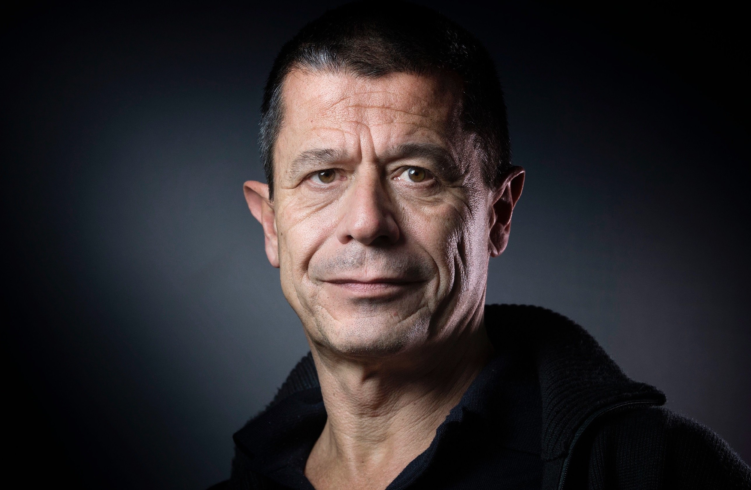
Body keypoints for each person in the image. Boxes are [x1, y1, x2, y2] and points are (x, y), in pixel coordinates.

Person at [213, 2, 751, 489]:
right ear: (272, 225)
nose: (367, 222)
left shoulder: (659, 472)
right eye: (325, 175)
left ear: (498, 213)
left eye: (416, 174)